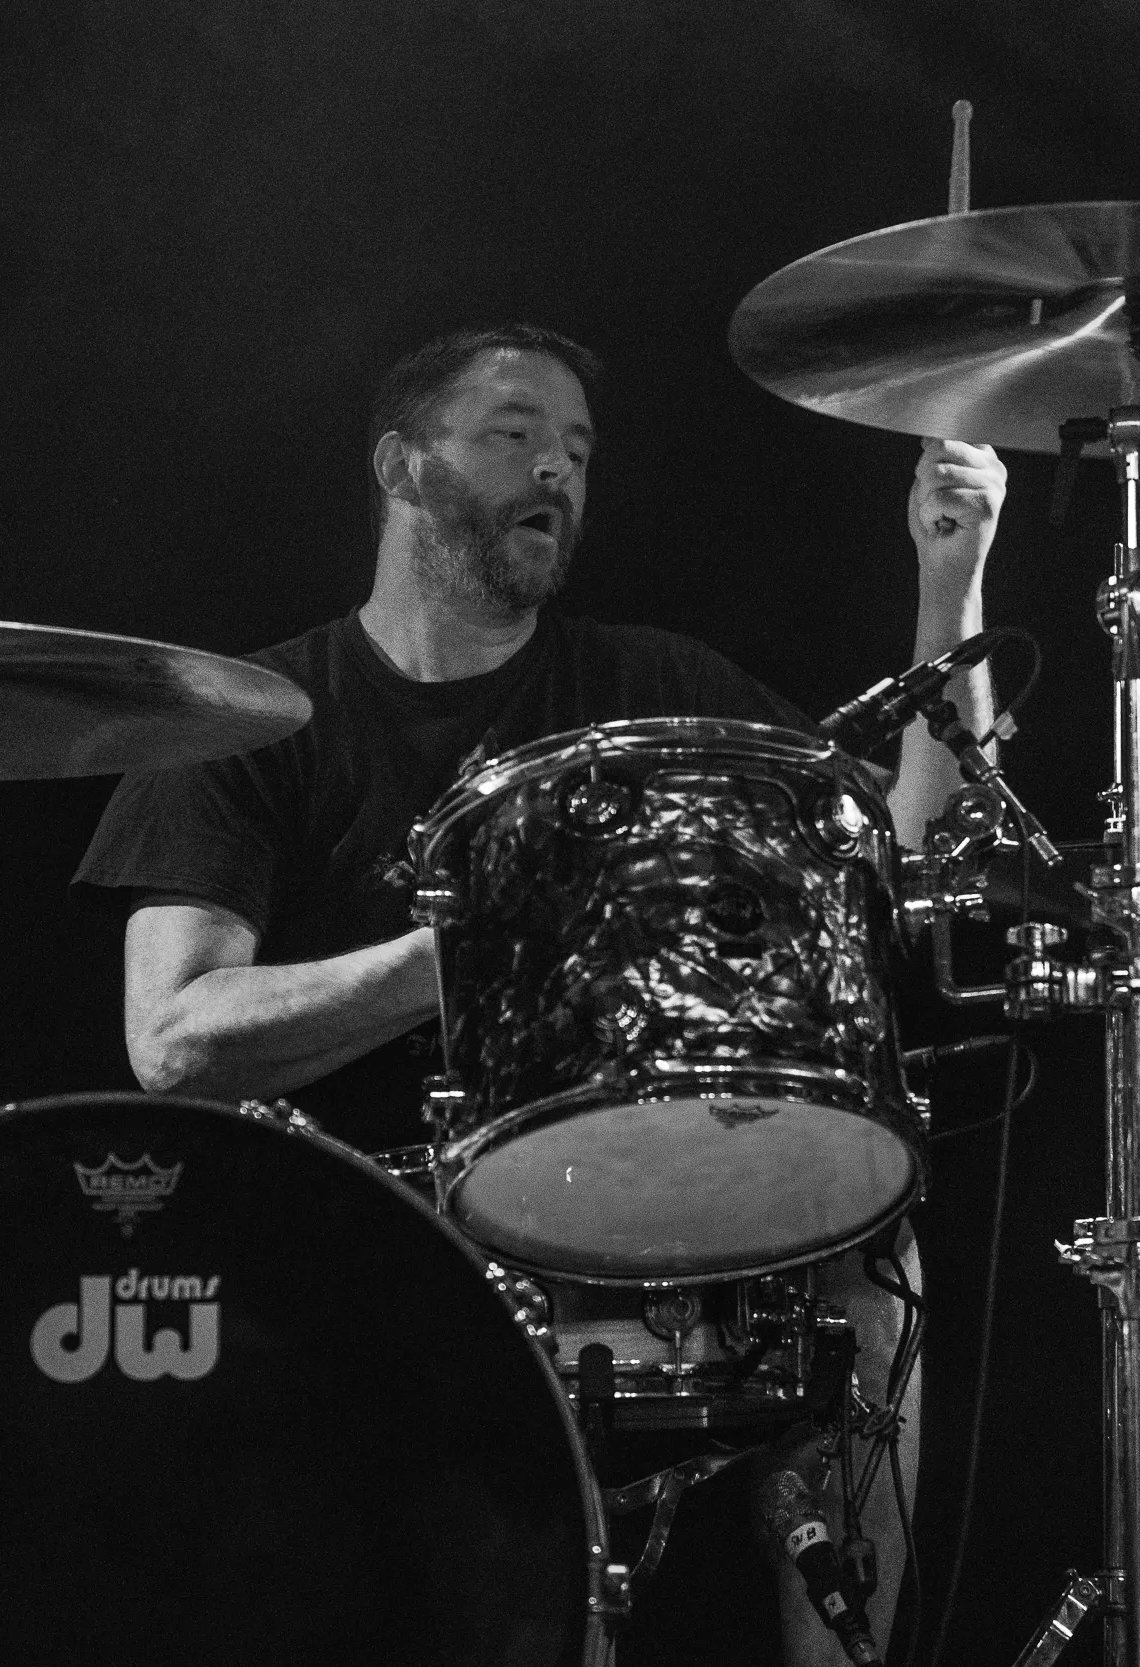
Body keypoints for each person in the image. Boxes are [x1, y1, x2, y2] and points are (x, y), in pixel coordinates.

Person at [74, 322, 1007, 1664]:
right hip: (361, 1224)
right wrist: (471, 945)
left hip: (632, 1186)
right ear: (403, 465)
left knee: (865, 1254)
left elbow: (906, 847)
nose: (558, 470)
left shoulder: (653, 687)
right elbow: (172, 1039)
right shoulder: (252, 717)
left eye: (577, 447)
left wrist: (949, 579)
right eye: (515, 434)